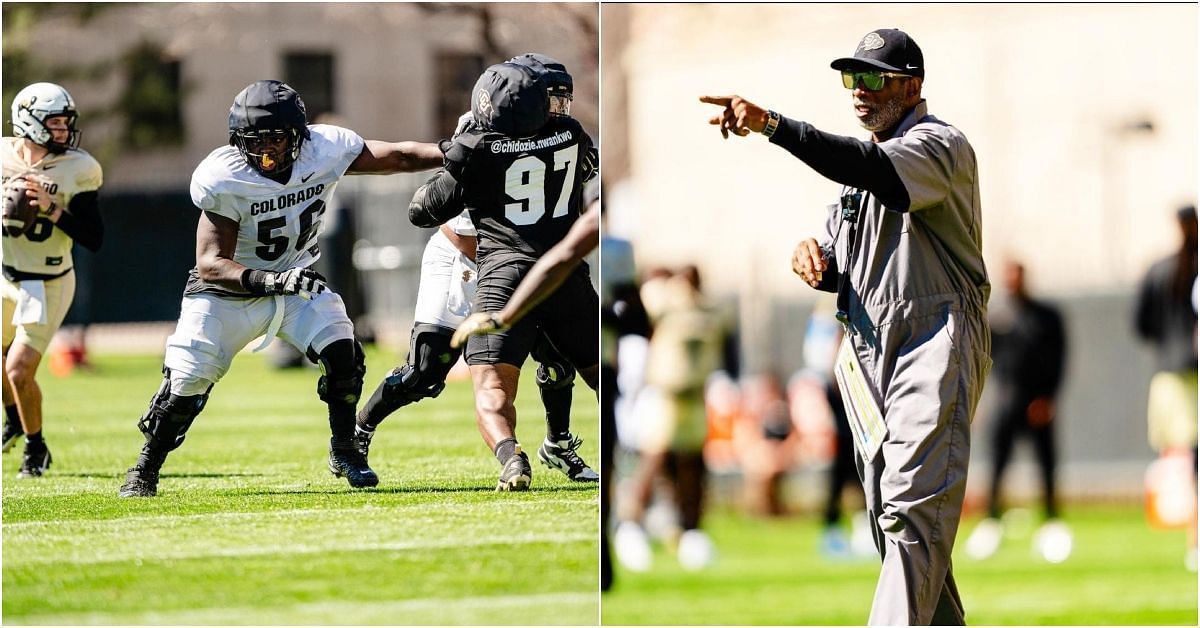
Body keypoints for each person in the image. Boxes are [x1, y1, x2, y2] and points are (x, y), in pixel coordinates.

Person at [701, 28, 991, 625]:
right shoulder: (859, 174)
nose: (860, 92)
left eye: (874, 78)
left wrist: (773, 125)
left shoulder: (939, 144)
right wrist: (819, 258)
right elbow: (851, 259)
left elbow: (874, 169)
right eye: (852, 78)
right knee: (897, 515)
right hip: (867, 346)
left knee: (912, 511)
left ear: (913, 84)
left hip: (933, 335)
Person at [117, 80, 443, 497]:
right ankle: (145, 467)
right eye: (254, 141)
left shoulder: (325, 149)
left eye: (275, 138)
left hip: (295, 281)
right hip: (226, 295)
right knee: (186, 386)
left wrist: (453, 152)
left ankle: (345, 449)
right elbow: (211, 263)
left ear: (299, 135)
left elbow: (397, 156)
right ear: (237, 141)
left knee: (344, 353)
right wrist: (272, 279)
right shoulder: (224, 176)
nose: (265, 151)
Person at [360, 55, 598, 485]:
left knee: (550, 362)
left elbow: (422, 207)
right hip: (467, 259)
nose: (559, 107)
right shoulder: (568, 134)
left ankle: (551, 446)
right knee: (426, 370)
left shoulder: (484, 141)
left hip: (507, 265)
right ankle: (361, 428)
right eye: (551, 97)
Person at [1, 82, 104, 478]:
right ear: (28, 122)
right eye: (55, 123)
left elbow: (94, 238)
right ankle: (14, 417)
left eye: (65, 123)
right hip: (4, 274)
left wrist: (52, 210)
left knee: (18, 370)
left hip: (47, 280)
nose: (63, 131)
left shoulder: (79, 169)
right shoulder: (3, 155)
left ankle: (36, 447)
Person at [964, 260, 1070, 563]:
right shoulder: (997, 316)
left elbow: (1059, 359)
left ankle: (1051, 521)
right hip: (1006, 402)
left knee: (1046, 464)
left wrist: (1049, 397)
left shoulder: (1046, 317)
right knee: (997, 464)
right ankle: (991, 520)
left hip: (1038, 402)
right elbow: (984, 360)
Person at [1133, 204, 1198, 569]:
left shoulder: (1160, 270)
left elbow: (1141, 324)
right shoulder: (1171, 270)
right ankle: (1194, 536)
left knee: (1187, 458)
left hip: (1172, 374)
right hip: (1184, 376)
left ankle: (1194, 537)